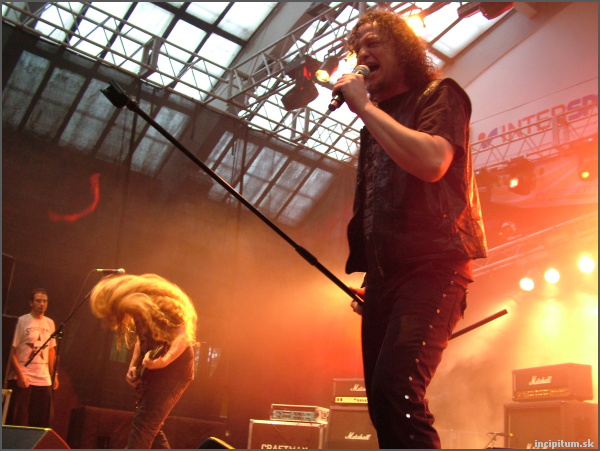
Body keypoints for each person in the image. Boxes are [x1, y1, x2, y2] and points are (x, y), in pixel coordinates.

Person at [332, 8, 487, 449]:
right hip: (385, 280)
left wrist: (364, 107)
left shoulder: (441, 95)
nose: (362, 54)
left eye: (373, 43)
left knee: (396, 393)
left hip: (434, 268)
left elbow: (433, 162)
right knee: (382, 406)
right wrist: (374, 277)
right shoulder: (377, 121)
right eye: (357, 47)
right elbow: (377, 204)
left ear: (403, 49)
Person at [89, 273, 198, 449]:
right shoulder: (137, 308)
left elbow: (183, 336)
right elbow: (142, 338)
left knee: (144, 422)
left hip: (175, 369)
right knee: (150, 425)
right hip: (155, 367)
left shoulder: (163, 303)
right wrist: (133, 365)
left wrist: (164, 361)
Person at [6, 288, 59, 427]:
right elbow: (11, 350)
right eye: (38, 301)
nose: (42, 304)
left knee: (41, 420)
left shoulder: (50, 323)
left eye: (45, 301)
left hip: (43, 378)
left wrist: (54, 375)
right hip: (24, 376)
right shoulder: (22, 321)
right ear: (31, 303)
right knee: (17, 418)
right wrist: (19, 374)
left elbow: (51, 351)